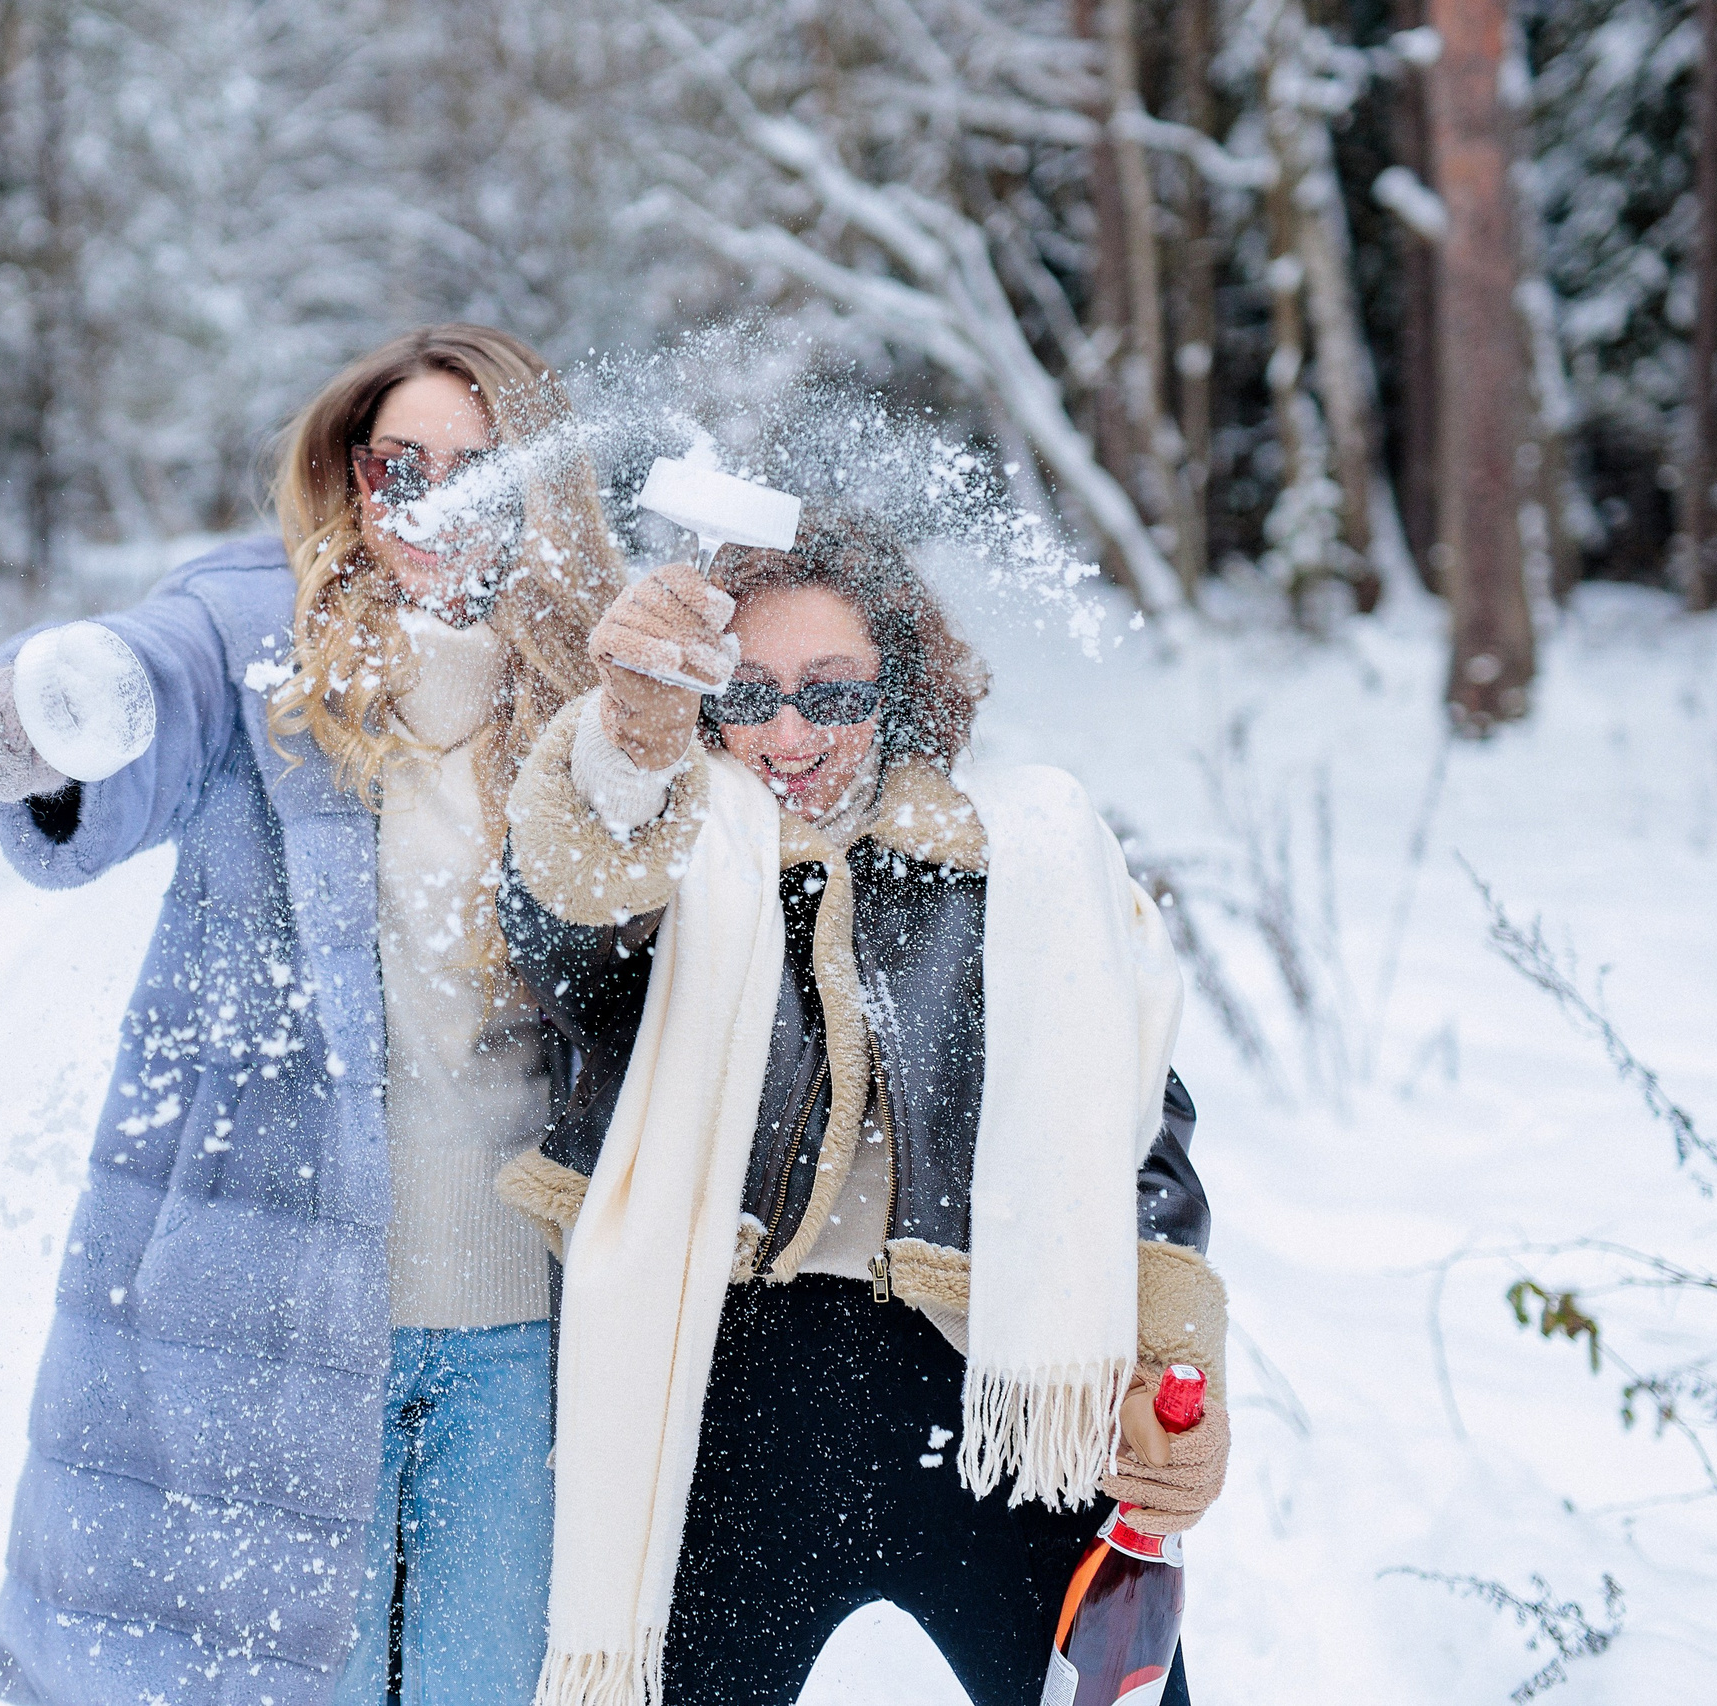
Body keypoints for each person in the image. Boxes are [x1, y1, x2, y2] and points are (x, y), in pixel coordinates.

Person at [0, 325, 622, 1705]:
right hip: (280, 1326)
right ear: (352, 478)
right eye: (396, 464)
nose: (428, 501)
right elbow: (132, 702)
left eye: (473, 469)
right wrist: (59, 711)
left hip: (521, 1327)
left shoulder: (601, 696)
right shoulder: (261, 647)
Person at [493, 511, 1230, 1706]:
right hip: (727, 1399)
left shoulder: (1015, 867)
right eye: (749, 691)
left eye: (833, 693)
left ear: (901, 686)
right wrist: (627, 742)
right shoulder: (659, 862)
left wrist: (1169, 1362)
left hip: (998, 1399)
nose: (790, 732)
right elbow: (561, 927)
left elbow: (1138, 1133)